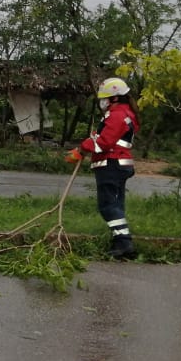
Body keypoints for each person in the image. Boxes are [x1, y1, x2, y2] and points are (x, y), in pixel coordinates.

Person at [65, 76, 140, 260]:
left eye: (105, 98)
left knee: (107, 206)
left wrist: (81, 149)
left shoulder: (117, 115)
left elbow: (105, 142)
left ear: (115, 98)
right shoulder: (126, 114)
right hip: (119, 164)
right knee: (116, 205)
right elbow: (107, 137)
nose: (102, 101)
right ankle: (119, 242)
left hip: (111, 164)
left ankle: (124, 242)